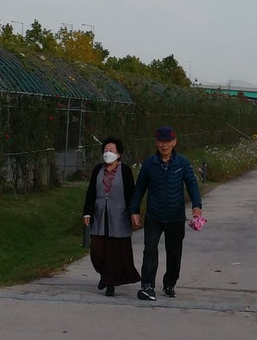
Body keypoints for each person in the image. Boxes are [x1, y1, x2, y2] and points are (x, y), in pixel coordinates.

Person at [128, 126, 203, 301]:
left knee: (174, 253)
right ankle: (147, 286)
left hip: (175, 217)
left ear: (174, 142)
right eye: (161, 141)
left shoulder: (182, 163)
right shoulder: (148, 164)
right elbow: (139, 189)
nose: (164, 145)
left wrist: (197, 205)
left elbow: (192, 185)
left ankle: (170, 283)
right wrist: (134, 210)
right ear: (156, 143)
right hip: (154, 216)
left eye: (168, 141)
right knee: (150, 251)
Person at [83, 137, 141, 297]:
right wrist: (87, 212)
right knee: (97, 251)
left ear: (119, 153)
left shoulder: (125, 171)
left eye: (111, 150)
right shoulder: (97, 170)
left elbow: (131, 193)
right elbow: (91, 193)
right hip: (100, 214)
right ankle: (103, 274)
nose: (108, 153)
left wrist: (134, 212)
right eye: (105, 150)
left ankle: (110, 283)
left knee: (115, 251)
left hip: (119, 215)